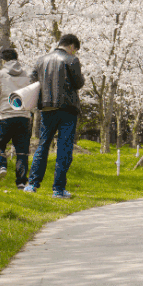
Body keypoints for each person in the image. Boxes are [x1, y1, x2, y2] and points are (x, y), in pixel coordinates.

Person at [24, 34, 84, 198]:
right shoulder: (72, 60)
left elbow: (32, 81)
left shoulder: (41, 60)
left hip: (47, 107)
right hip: (67, 108)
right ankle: (58, 189)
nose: (74, 53)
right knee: (64, 148)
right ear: (71, 46)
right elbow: (78, 83)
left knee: (43, 145)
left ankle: (32, 184)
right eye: (75, 49)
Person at [0, 47, 32, 188]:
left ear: (3, 60)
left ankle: (1, 166)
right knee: (22, 151)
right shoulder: (27, 75)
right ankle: (21, 182)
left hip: (5, 116)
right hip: (23, 116)